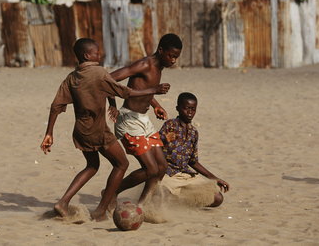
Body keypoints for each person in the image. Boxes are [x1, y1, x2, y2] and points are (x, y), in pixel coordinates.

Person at [39, 38, 170, 221]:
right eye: (96, 52)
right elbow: (125, 92)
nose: (99, 55)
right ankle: (101, 209)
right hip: (98, 130)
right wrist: (153, 90)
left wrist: (49, 133)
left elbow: (56, 106)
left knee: (92, 166)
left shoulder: (72, 77)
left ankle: (63, 203)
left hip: (80, 130)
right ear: (87, 55)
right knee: (121, 164)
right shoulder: (99, 72)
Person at [107, 33, 182, 206]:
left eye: (176, 58)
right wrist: (112, 103)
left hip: (143, 119)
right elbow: (109, 79)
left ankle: (143, 204)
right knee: (151, 169)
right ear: (161, 50)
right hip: (129, 120)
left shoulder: (160, 67)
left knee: (162, 167)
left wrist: (155, 105)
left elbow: (142, 89)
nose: (173, 60)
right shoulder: (144, 64)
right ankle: (113, 193)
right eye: (170, 56)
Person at [159, 92, 230, 207]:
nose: (190, 112)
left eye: (193, 109)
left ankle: (183, 199)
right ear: (178, 108)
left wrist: (215, 179)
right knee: (163, 195)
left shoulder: (193, 132)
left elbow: (193, 161)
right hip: (168, 175)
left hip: (186, 176)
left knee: (217, 198)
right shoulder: (170, 125)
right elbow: (156, 147)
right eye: (187, 108)